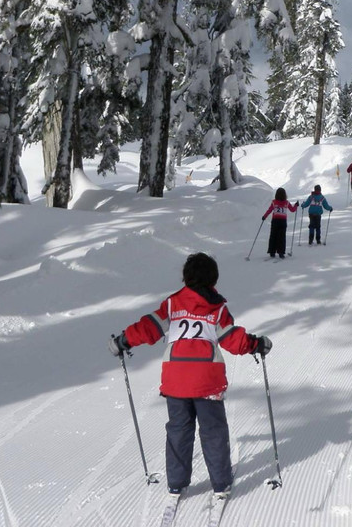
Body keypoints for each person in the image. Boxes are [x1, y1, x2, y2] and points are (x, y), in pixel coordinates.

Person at [108, 253, 272, 502]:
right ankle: (220, 483)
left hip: (176, 381)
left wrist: (123, 340)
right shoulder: (217, 309)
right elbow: (232, 339)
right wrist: (256, 344)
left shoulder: (172, 305)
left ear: (185, 277)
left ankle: (176, 483)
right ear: (213, 279)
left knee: (178, 430)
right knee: (213, 430)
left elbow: (148, 328)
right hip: (207, 381)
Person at [262, 187, 298, 258]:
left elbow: (269, 210)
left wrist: (264, 216)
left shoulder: (274, 202)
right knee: (281, 237)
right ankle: (281, 252)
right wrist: (296, 205)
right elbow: (293, 210)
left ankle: (272, 252)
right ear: (284, 195)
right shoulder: (286, 203)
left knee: (273, 236)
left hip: (275, 221)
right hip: (282, 222)